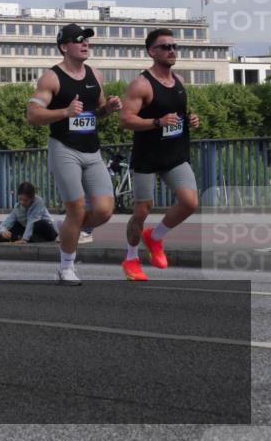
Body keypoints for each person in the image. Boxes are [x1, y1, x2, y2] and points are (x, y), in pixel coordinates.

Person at [26, 23, 123, 286]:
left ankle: (68, 227)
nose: (85, 44)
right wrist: (64, 113)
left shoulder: (96, 75)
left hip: (92, 151)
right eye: (79, 40)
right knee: (77, 210)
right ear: (64, 47)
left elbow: (98, 110)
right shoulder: (52, 78)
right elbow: (32, 115)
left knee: (104, 211)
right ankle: (66, 267)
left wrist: (109, 108)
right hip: (64, 149)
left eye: (87, 40)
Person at [118, 28, 201, 281]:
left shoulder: (180, 82)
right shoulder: (141, 84)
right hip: (148, 157)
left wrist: (191, 119)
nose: (172, 50)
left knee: (190, 203)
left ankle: (154, 238)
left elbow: (176, 115)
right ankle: (131, 258)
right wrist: (157, 122)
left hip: (175, 154)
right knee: (142, 211)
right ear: (151, 51)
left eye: (174, 46)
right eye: (165, 47)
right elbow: (125, 120)